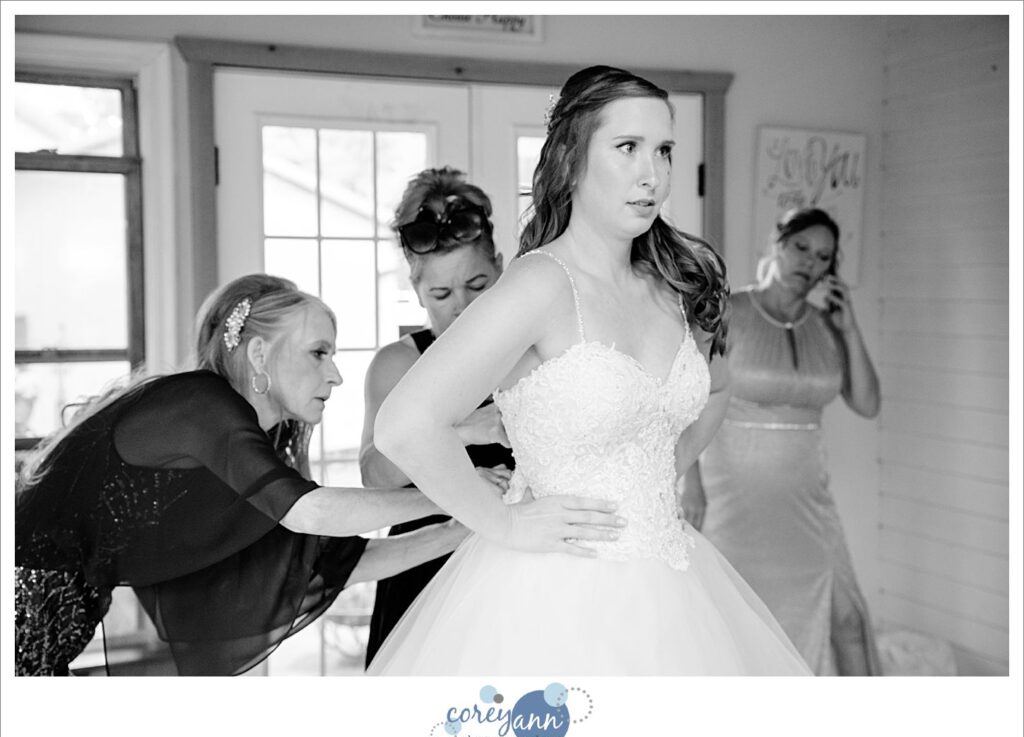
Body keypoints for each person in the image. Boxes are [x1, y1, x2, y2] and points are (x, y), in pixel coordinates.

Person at [366, 65, 811, 675]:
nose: (651, 174)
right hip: (549, 600)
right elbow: (405, 426)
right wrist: (502, 523)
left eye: (663, 150)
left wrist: (663, 465)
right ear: (572, 159)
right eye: (627, 147)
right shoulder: (539, 283)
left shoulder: (675, 286)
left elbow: (717, 385)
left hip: (673, 588)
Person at [14, 273, 617, 676]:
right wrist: (473, 503)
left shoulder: (240, 450)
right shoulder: (199, 404)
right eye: (318, 352)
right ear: (256, 355)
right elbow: (315, 512)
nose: (334, 376)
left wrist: (475, 526)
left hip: (52, 628)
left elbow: (348, 563)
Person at [682, 207, 882, 675]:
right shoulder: (728, 310)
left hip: (808, 501)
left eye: (823, 257)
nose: (810, 263)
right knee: (738, 622)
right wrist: (690, 483)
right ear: (776, 243)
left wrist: (848, 327)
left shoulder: (827, 326)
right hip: (730, 496)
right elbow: (685, 397)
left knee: (847, 622)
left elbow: (868, 402)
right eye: (801, 248)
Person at [359, 167, 514, 666]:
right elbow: (373, 478)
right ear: (416, 289)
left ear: (502, 266)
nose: (463, 307)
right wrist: (464, 431)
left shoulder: (533, 351)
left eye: (478, 285)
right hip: (424, 564)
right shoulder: (398, 364)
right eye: (442, 296)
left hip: (518, 565)